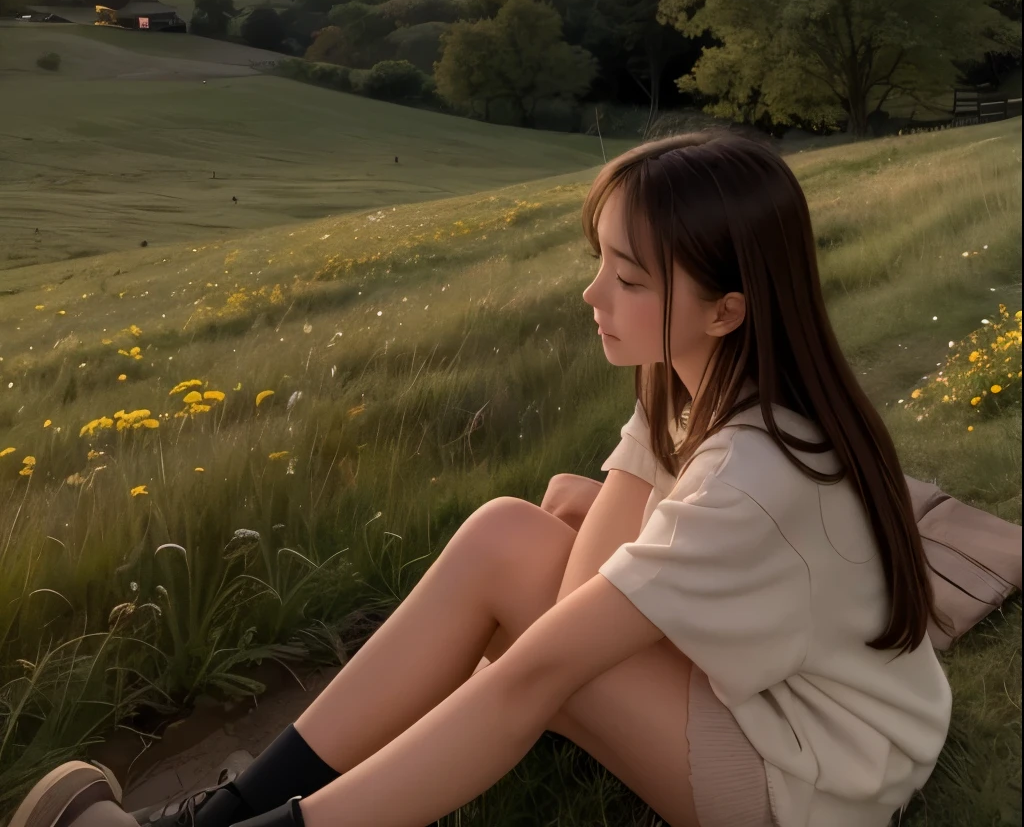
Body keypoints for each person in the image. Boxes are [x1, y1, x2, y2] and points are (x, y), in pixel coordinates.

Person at [11, 130, 953, 827]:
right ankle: (210, 818)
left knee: (525, 659)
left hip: (816, 784)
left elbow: (539, 666)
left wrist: (634, 513)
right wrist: (634, 494)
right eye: (600, 264)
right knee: (512, 528)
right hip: (799, 711)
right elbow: (581, 586)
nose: (592, 295)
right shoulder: (700, 380)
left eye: (627, 279)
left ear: (728, 310)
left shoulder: (752, 473)